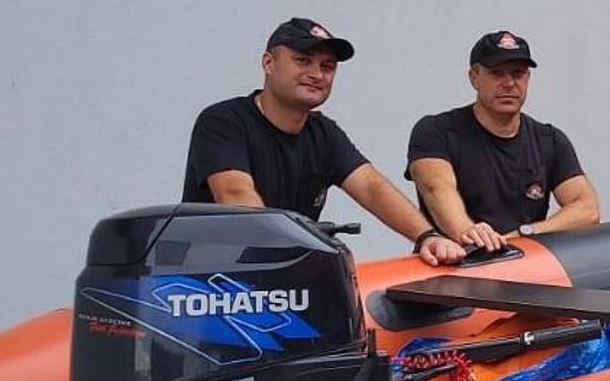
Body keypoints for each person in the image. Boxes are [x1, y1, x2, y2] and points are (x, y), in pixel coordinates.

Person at [183, 17, 466, 265]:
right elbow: (235, 196)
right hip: (207, 288)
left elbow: (371, 187)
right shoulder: (223, 121)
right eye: (302, 60)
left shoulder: (324, 133)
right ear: (268, 63)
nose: (317, 74)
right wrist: (291, 254)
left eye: (327, 66)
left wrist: (426, 236)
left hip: (286, 286)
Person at [407, 31, 599, 250]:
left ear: (528, 79)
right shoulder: (436, 131)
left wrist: (525, 234)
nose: (509, 83)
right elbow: (436, 189)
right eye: (496, 73)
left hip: (526, 267)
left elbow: (586, 209)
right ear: (474, 77)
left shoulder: (549, 140)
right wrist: (469, 234)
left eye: (518, 73)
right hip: (452, 266)